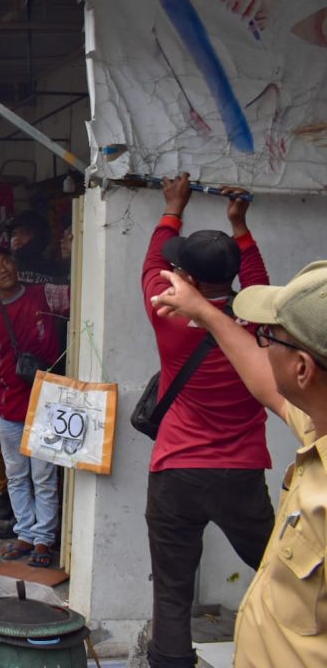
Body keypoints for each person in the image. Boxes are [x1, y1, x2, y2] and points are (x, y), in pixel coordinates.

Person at [150, 261, 327, 668]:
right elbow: (268, 385)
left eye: (270, 337)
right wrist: (207, 313)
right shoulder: (317, 422)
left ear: (302, 368)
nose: (262, 346)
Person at [140, 173, 274, 668]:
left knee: (172, 590)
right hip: (241, 473)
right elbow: (260, 283)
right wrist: (240, 228)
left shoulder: (169, 313)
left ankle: (171, 661)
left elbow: (152, 264)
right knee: (280, 569)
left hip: (176, 471)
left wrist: (173, 207)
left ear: (188, 280)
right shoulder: (258, 318)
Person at [0, 245, 69, 568]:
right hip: (7, 403)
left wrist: (67, 253)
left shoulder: (48, 296)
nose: (4, 269)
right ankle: (24, 532)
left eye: (7, 261)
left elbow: (87, 299)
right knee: (16, 474)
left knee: (43, 475)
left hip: (47, 400)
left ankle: (43, 538)